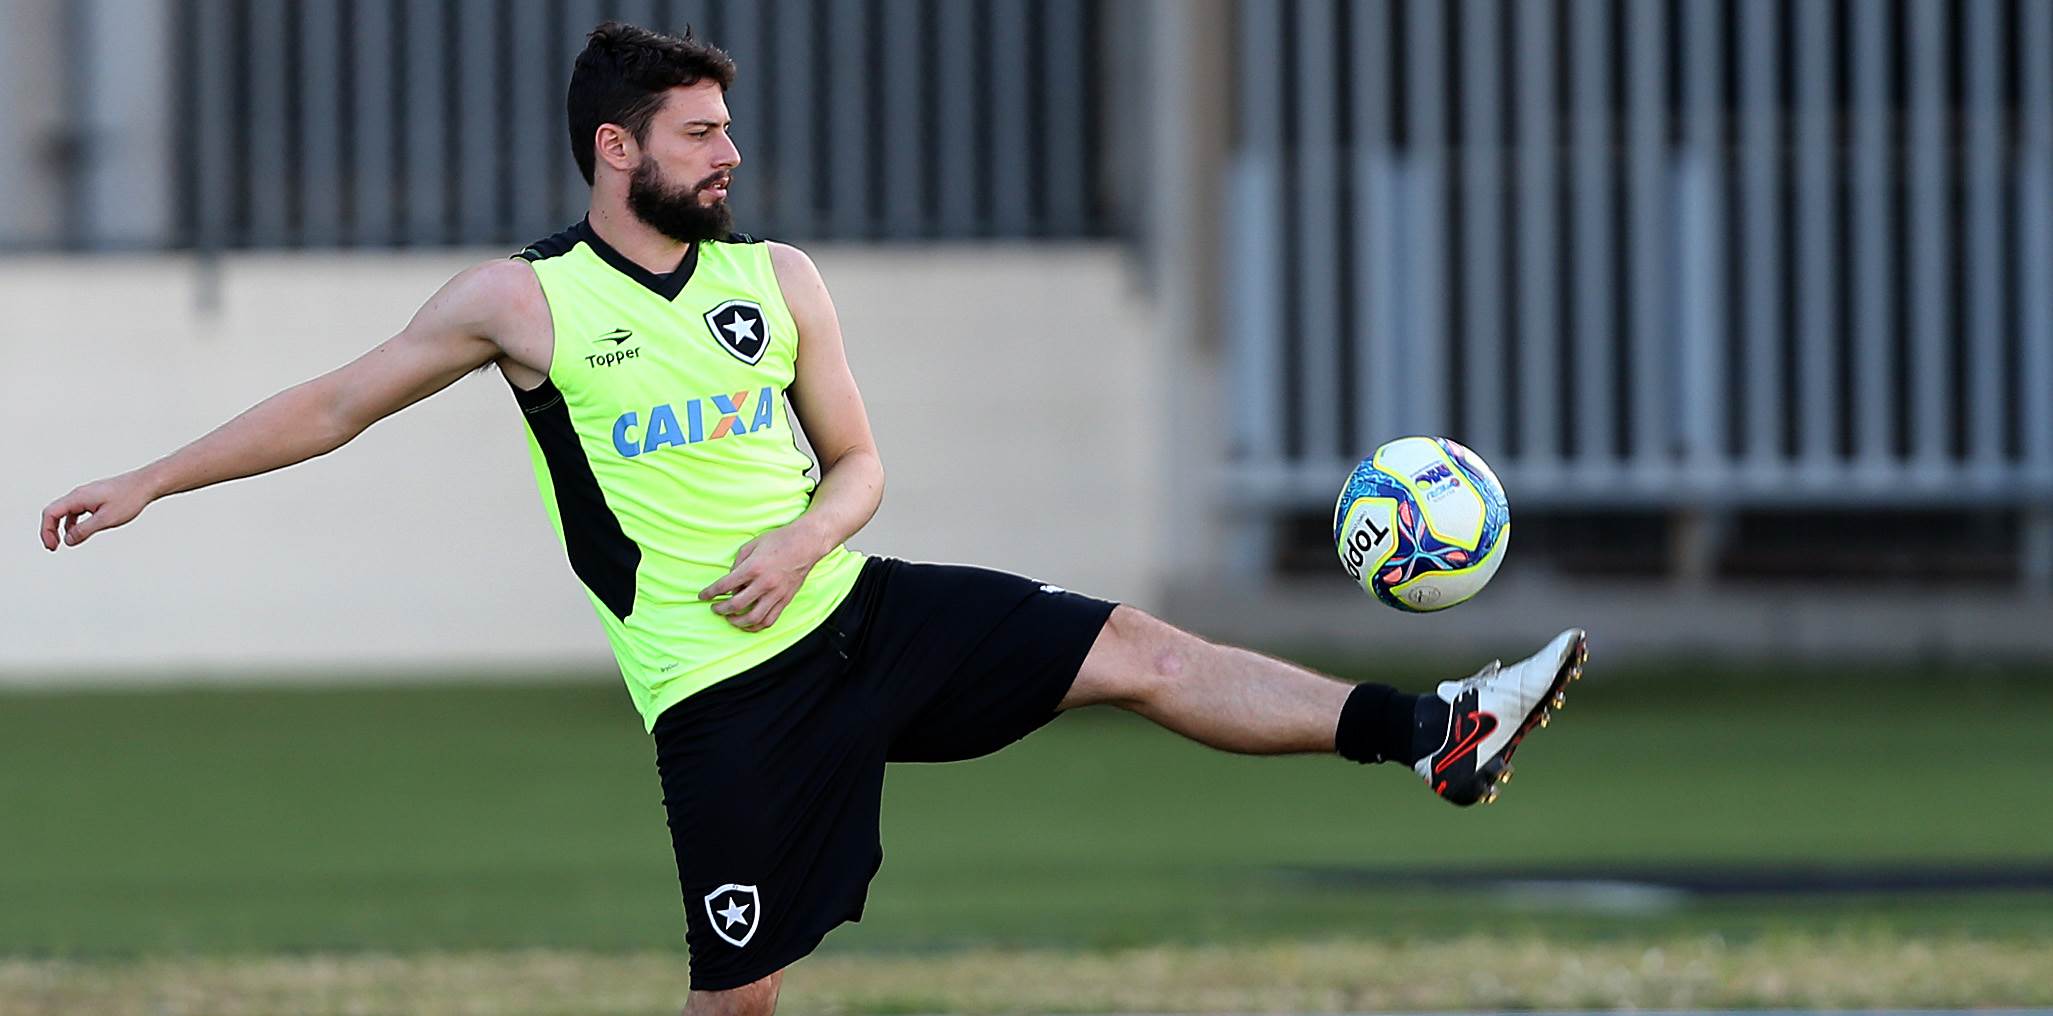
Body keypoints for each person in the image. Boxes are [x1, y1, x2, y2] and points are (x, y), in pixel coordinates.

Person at [38, 22, 1587, 1016]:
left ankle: (1433, 737)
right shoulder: (524, 302)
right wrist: (150, 479)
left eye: (726, 130)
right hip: (717, 691)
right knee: (743, 1000)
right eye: (699, 133)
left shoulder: (775, 283)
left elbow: (859, 466)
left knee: (1139, 653)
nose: (727, 154)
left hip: (859, 613)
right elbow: (332, 404)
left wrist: (802, 540)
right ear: (616, 149)